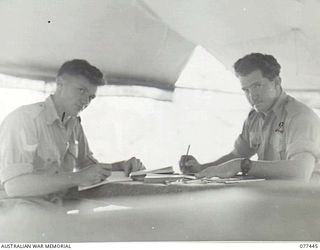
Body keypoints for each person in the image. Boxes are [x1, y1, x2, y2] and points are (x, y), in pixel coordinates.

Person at [0, 59, 145, 206]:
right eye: (81, 90)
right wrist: (78, 177)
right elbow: (14, 186)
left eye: (90, 97)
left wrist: (120, 167)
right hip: (17, 214)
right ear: (60, 83)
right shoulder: (24, 120)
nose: (85, 101)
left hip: (54, 211)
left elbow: (87, 167)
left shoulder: (74, 124)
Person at [180, 53, 320, 181]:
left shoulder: (299, 117)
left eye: (257, 86)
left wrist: (241, 165)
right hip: (272, 197)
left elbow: (300, 172)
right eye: (246, 90)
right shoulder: (254, 118)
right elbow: (236, 156)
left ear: (277, 82)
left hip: (304, 201)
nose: (252, 96)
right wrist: (201, 168)